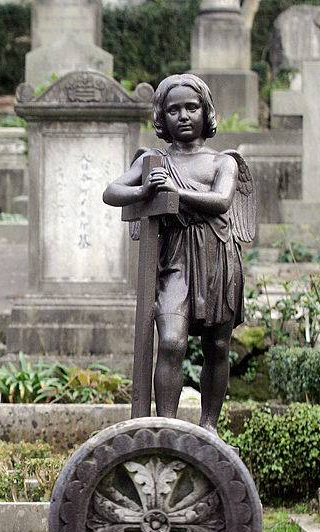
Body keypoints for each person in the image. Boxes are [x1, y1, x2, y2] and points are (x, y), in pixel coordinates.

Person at [103, 74, 255, 432]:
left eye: (192, 107)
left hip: (218, 258)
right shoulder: (153, 161)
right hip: (175, 262)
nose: (184, 115)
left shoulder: (223, 162)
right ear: (162, 117)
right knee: (170, 340)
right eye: (173, 110)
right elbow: (111, 192)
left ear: (206, 111)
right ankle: (167, 428)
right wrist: (144, 191)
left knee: (217, 345)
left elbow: (221, 201)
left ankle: (208, 427)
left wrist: (174, 192)